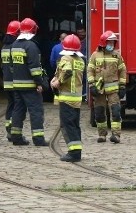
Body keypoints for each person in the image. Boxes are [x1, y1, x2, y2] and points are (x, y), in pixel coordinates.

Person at [9, 18, 49, 147]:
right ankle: (38, 139)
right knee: (36, 111)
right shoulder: (31, 46)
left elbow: (11, 66)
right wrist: (40, 83)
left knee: (18, 111)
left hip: (17, 84)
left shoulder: (14, 44)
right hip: (30, 85)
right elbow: (35, 68)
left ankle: (16, 137)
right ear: (33, 30)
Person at [87, 30, 127, 143]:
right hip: (99, 90)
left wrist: (123, 85)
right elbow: (90, 70)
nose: (112, 44)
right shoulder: (95, 56)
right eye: (110, 42)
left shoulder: (117, 55)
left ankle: (116, 135)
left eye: (113, 42)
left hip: (113, 90)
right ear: (103, 42)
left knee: (116, 112)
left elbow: (123, 70)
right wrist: (91, 85)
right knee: (99, 112)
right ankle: (102, 134)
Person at [51, 34, 85, 162]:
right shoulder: (80, 60)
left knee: (67, 125)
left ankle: (74, 153)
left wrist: (58, 82)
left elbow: (67, 71)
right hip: (77, 98)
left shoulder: (66, 58)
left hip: (66, 97)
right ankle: (77, 150)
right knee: (75, 125)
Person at [0, 20, 20, 142]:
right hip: (15, 81)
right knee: (17, 106)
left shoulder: (4, 47)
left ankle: (8, 127)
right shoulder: (15, 47)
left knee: (10, 104)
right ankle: (13, 130)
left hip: (6, 81)